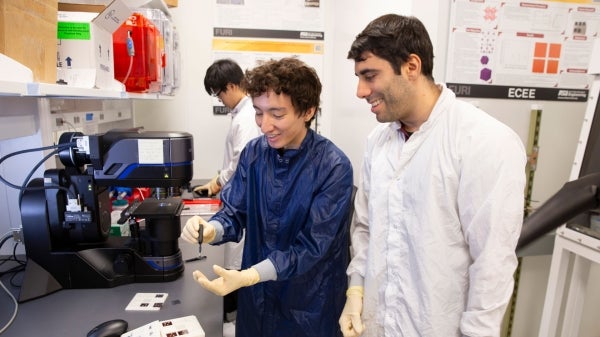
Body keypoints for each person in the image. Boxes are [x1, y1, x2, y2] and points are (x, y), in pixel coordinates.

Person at [339, 14, 526, 337]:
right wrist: (356, 290)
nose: (360, 91)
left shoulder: (483, 141)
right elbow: (367, 227)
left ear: (412, 66)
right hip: (377, 325)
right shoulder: (378, 142)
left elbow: (492, 263)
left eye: (370, 75)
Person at [182, 57, 354, 337]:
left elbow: (311, 246)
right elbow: (235, 211)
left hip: (307, 304)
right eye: (259, 112)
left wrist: (249, 275)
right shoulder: (254, 153)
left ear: (308, 111)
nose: (264, 125)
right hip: (258, 300)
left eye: (277, 114)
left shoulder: (333, 166)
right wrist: (212, 229)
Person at [194, 59, 262, 321]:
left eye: (219, 93)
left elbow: (238, 165)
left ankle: (234, 320)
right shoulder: (241, 115)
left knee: (237, 265)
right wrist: (217, 180)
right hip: (237, 197)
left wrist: (218, 181)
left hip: (242, 202)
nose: (220, 99)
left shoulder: (246, 118)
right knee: (234, 264)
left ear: (232, 86)